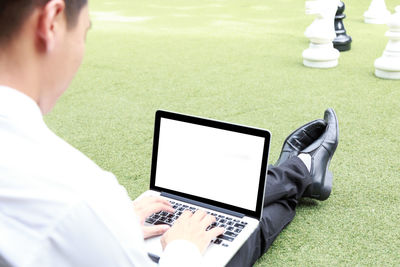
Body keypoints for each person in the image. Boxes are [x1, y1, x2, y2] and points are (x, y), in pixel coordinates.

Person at [0, 1, 339, 266]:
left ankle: (301, 170)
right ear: (52, 21)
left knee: (239, 220)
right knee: (246, 228)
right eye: (84, 32)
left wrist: (112, 227)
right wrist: (181, 249)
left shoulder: (80, 202)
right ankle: (301, 169)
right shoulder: (82, 197)